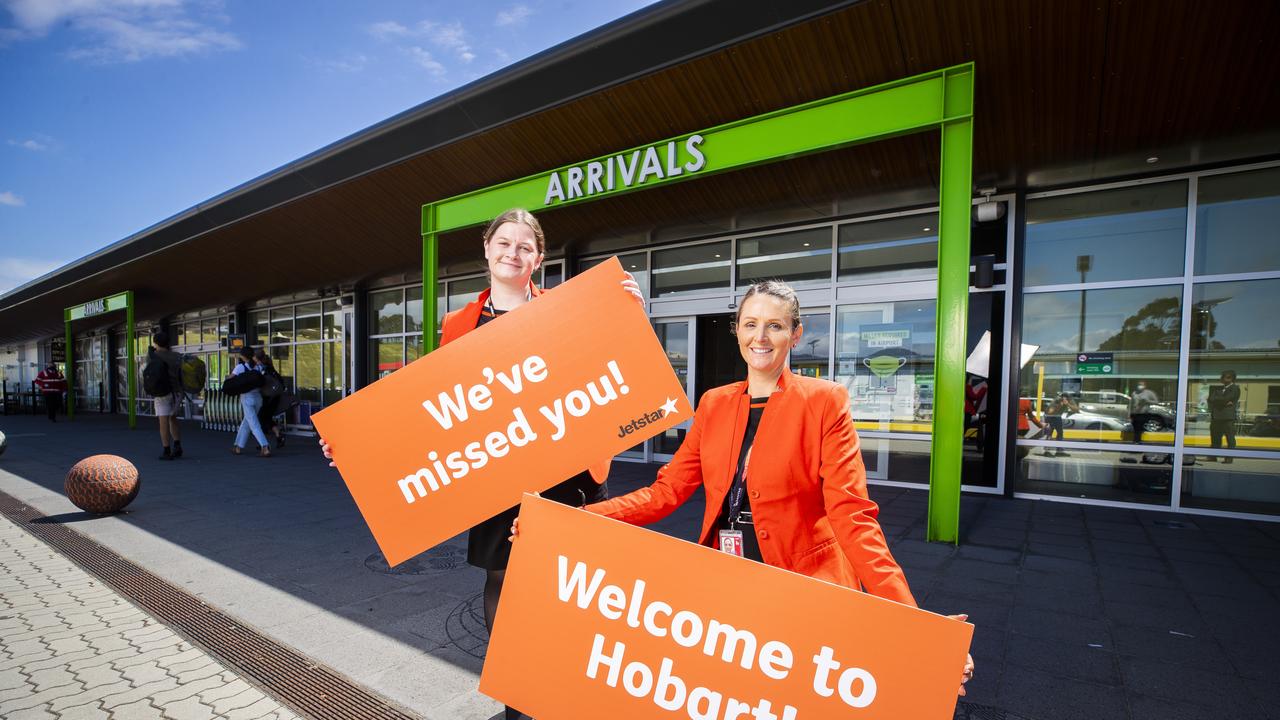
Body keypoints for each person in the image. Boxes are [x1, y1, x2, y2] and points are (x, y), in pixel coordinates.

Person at [516, 280, 973, 695]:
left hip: (803, 588)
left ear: (795, 334)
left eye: (774, 326)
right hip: (728, 584)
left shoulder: (824, 402)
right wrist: (569, 519)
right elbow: (664, 494)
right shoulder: (714, 404)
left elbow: (853, 517)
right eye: (750, 324)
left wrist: (917, 625)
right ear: (736, 331)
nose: (760, 337)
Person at [321, 208, 641, 720]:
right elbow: (437, 407)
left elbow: (610, 363)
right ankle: (520, 696)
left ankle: (564, 693)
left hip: (567, 472)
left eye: (524, 246)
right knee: (502, 580)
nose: (513, 253)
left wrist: (628, 312)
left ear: (538, 257)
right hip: (495, 475)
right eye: (504, 243)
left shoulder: (566, 308)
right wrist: (356, 446)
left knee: (570, 585)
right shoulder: (460, 323)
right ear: (487, 249)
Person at [231, 345, 272, 457]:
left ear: (242, 356)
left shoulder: (240, 367)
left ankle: (265, 446)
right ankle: (237, 446)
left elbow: (230, 379)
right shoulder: (258, 367)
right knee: (247, 422)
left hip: (246, 397)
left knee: (253, 424)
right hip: (258, 398)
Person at [149, 332, 185, 459]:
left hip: (162, 392)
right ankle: (177, 445)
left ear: (156, 342)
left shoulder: (155, 356)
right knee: (173, 418)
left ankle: (166, 450)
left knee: (163, 422)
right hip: (177, 392)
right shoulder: (177, 356)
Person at [254, 348, 286, 449]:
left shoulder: (261, 368)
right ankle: (277, 436)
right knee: (266, 417)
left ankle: (264, 442)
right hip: (274, 396)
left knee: (262, 417)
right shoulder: (269, 367)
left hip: (267, 397)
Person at [1207, 370, 1240, 463]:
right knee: (1215, 438)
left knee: (1230, 438)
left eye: (1225, 377)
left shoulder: (1235, 388)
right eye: (1222, 377)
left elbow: (1227, 398)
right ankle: (1213, 456)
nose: (1222, 379)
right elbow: (1210, 399)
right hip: (1216, 417)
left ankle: (1229, 458)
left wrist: (1218, 400)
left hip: (1227, 418)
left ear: (1231, 378)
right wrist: (1223, 402)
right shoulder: (1219, 389)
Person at [1041, 392, 1078, 456]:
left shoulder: (1069, 400)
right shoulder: (1057, 400)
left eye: (1068, 398)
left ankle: (1059, 451)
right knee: (1050, 432)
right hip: (1049, 416)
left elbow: (1076, 409)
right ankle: (1046, 451)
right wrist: (1059, 405)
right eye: (1064, 398)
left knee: (1060, 433)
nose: (1065, 399)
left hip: (1057, 416)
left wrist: (1068, 404)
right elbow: (1050, 412)